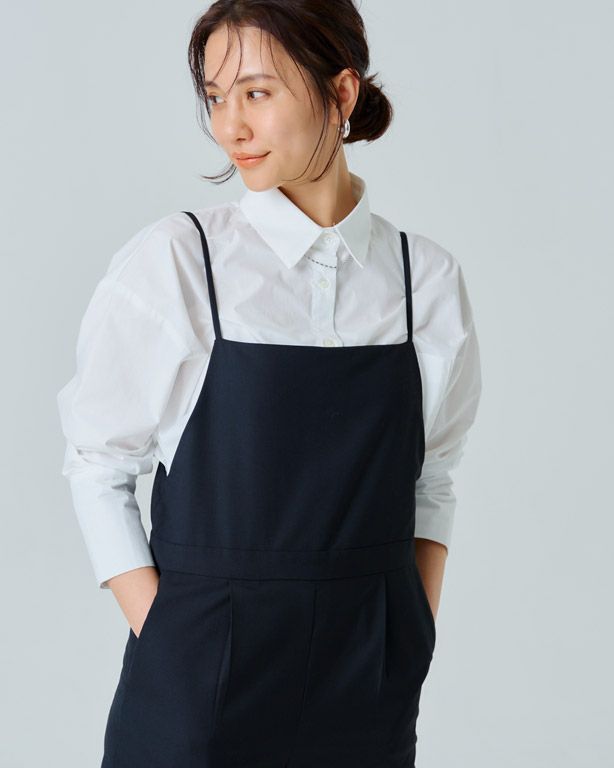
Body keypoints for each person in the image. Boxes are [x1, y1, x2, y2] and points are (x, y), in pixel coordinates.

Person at [56, 1, 482, 766]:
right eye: (216, 97)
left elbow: (432, 477)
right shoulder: (180, 262)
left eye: (256, 93)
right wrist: (171, 640)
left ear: (341, 93)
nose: (230, 126)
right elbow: (97, 463)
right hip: (197, 689)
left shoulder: (424, 280)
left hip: (365, 691)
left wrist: (409, 632)